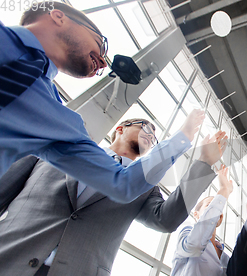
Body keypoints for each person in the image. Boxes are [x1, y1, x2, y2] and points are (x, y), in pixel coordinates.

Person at [0, 118, 227, 276]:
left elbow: (166, 219)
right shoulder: (61, 147)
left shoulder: (144, 188)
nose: (151, 136)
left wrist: (204, 163)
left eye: (155, 139)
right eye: (145, 128)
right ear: (120, 128)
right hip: (7, 263)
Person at [0, 1, 204, 203]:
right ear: (59, 17)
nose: (104, 62)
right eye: (100, 43)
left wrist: (182, 137)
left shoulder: (59, 122)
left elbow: (122, 183)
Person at [162, 165, 234, 276]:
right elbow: (194, 245)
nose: (217, 209)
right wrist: (223, 192)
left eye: (218, 207)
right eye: (210, 206)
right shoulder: (186, 234)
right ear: (196, 214)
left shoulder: (226, 258)